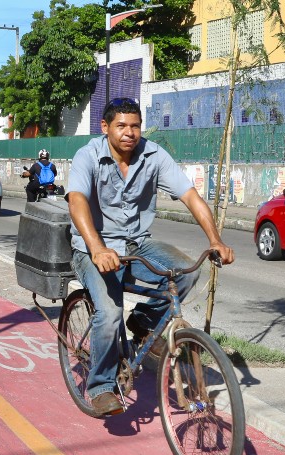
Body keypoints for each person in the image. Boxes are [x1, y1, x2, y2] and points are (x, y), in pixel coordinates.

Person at [66, 98, 235, 417]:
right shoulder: (88, 155)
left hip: (137, 244)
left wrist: (215, 240)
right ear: (105, 127)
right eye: (121, 126)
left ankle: (144, 322)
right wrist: (98, 248)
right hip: (93, 247)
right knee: (109, 314)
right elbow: (77, 202)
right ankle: (100, 385)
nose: (129, 132)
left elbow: (190, 196)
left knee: (184, 272)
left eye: (135, 125)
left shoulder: (154, 155)